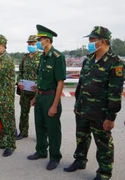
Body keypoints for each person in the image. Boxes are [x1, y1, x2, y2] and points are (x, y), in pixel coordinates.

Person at [64, 26, 124, 180]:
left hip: (100, 112)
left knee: (103, 143)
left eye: (92, 40)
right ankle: (80, 160)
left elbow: (115, 92)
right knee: (81, 137)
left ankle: (104, 172)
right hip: (83, 109)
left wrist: (111, 117)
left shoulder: (115, 62)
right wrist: (77, 105)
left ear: (102, 41)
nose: (89, 43)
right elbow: (81, 84)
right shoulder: (89, 60)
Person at [27, 25, 66, 170]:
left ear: (48, 40)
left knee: (53, 129)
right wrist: (36, 97)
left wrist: (55, 105)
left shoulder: (57, 57)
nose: (38, 42)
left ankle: (55, 157)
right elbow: (41, 80)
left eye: (40, 39)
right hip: (41, 97)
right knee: (40, 126)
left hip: (51, 97)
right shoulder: (43, 56)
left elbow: (60, 82)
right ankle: (41, 151)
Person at [16, 35, 41, 140]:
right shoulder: (25, 57)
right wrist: (18, 82)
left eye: (33, 44)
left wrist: (38, 85)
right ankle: (23, 132)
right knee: (24, 112)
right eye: (29, 44)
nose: (31, 45)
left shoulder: (42, 57)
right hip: (25, 90)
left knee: (39, 114)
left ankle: (41, 135)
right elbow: (20, 72)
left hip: (37, 90)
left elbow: (44, 75)